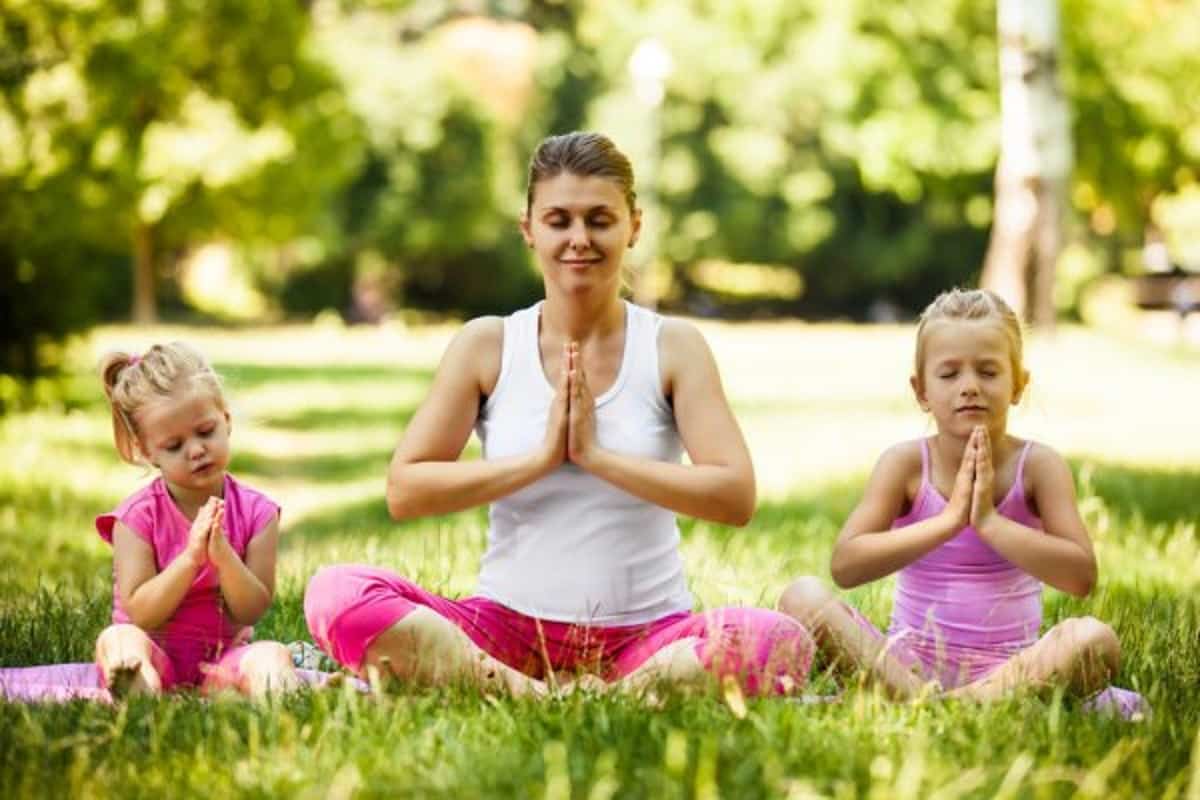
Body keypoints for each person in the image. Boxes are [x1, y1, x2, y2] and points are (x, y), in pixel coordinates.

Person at [304, 131, 814, 698]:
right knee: (336, 593)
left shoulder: (673, 347)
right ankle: (529, 691)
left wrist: (597, 457)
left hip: (644, 637)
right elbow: (406, 489)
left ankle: (595, 690)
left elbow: (735, 496)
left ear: (634, 226)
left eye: (599, 220)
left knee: (779, 641)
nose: (579, 239)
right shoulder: (488, 345)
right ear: (529, 229)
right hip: (503, 631)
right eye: (559, 220)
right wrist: (542, 459)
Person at [777, 288, 1139, 710]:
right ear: (921, 391)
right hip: (903, 665)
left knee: (1094, 640)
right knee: (801, 596)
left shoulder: (1039, 466)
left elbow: (1081, 577)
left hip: (1010, 672)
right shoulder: (905, 464)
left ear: (1019, 384)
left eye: (988, 372)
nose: (969, 387)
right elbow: (846, 566)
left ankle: (931, 706)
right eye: (949, 375)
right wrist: (949, 521)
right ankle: (938, 703)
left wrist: (989, 522)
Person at [91, 342, 301, 697]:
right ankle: (139, 681)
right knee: (119, 639)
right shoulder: (136, 518)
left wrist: (223, 557)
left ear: (227, 420)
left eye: (205, 431)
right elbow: (141, 612)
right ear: (147, 452)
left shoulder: (258, 512)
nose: (196, 450)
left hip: (223, 660)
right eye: (174, 446)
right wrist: (190, 559)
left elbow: (251, 610)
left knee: (271, 654)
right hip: (154, 651)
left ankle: (272, 689)